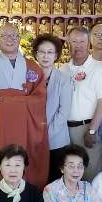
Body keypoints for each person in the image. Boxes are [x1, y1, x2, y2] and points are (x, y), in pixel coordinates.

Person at [0, 22, 49, 190]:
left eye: (13, 35)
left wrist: (10, 104)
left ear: (19, 38)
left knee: (24, 158)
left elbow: (40, 98)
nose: (9, 39)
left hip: (25, 126)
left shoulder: (33, 68)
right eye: (4, 36)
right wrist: (11, 105)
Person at [62, 26, 102, 181]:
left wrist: (92, 130)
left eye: (82, 42)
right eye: (74, 41)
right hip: (65, 131)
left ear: (89, 43)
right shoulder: (63, 70)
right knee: (70, 176)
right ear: (68, 44)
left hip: (88, 129)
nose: (78, 46)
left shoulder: (98, 70)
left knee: (91, 174)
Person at [33, 34, 73, 184]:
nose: (45, 56)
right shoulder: (28, 77)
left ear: (56, 55)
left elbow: (64, 111)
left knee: (54, 179)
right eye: (42, 52)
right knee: (34, 177)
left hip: (56, 139)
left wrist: (46, 135)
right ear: (36, 54)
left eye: (50, 52)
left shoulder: (64, 79)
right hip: (33, 138)